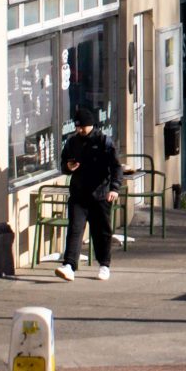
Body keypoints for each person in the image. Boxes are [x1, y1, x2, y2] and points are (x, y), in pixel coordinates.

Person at [55, 106, 120, 281]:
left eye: (83, 126)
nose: (80, 130)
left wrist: (114, 188)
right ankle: (69, 265)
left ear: (91, 125)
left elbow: (115, 167)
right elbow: (63, 163)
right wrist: (68, 167)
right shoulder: (72, 142)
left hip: (100, 194)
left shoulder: (104, 141)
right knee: (75, 229)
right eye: (77, 126)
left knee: (101, 232)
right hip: (79, 193)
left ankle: (104, 265)